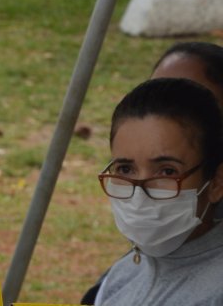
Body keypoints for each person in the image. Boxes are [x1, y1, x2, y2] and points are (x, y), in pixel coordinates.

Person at [81, 41, 223, 305]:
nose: (139, 192)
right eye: (125, 169)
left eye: (167, 171)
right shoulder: (124, 275)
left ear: (216, 182)